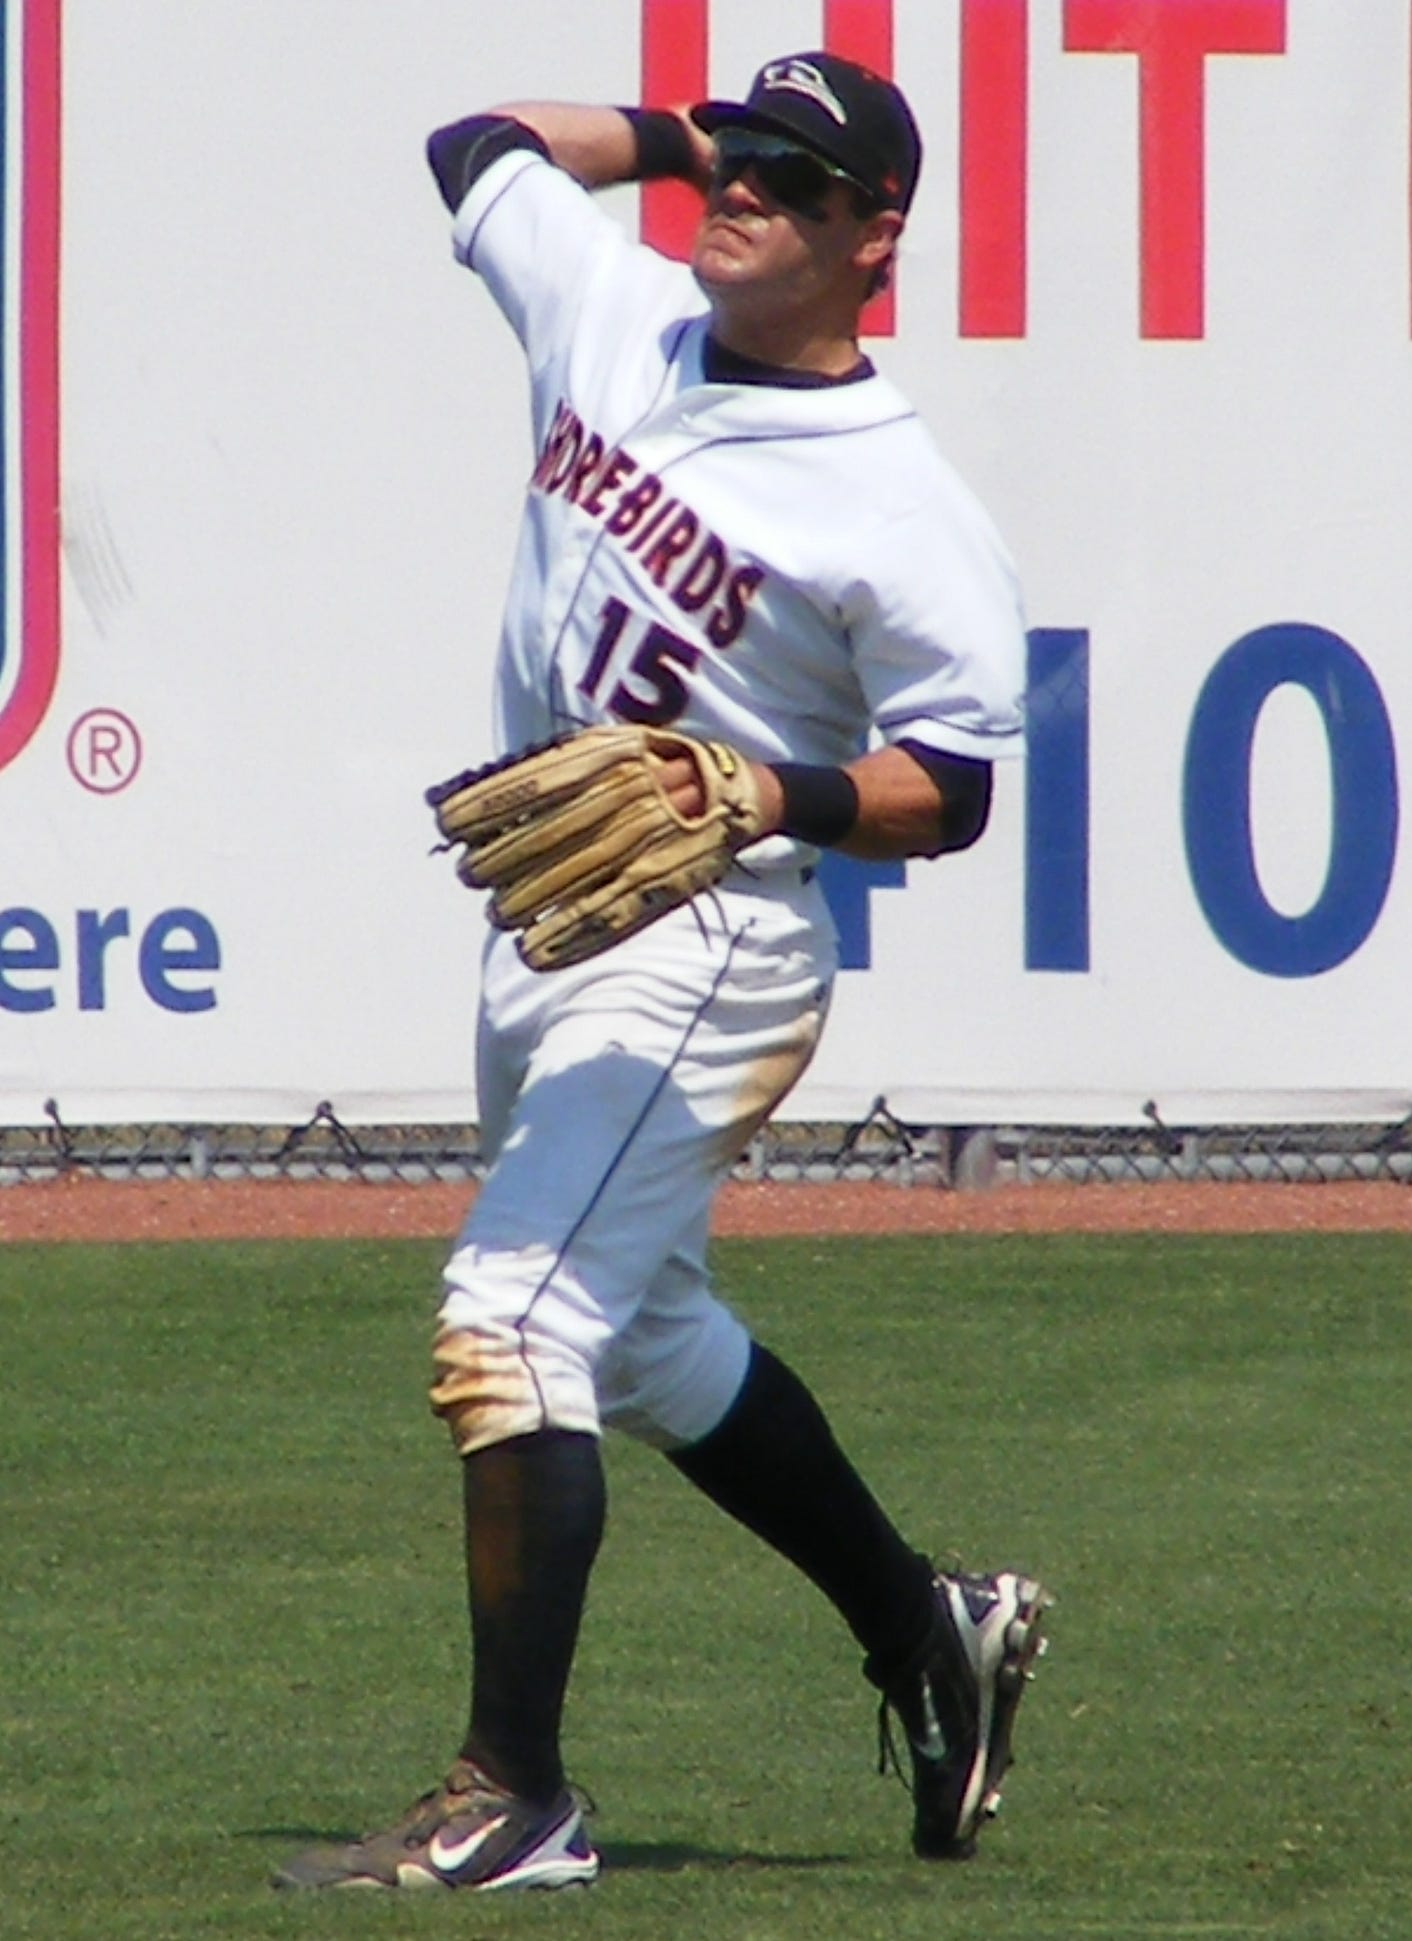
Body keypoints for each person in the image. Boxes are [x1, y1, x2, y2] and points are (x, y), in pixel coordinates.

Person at [276, 50, 1047, 1895]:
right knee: (634, 1338)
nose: (751, 184)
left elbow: (951, 786)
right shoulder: (616, 308)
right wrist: (688, 135)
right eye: (745, 150)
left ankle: (516, 1794)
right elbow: (475, 148)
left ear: (880, 238)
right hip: (547, 915)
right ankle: (922, 1617)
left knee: (509, 1324)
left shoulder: (905, 506)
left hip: (710, 936)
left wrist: (764, 786)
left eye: (800, 170)